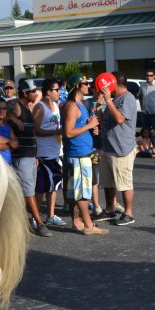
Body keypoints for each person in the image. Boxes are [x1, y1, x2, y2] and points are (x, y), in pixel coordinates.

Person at [61, 74, 107, 236]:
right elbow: (68, 132)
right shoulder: (72, 106)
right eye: (85, 83)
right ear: (77, 86)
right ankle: (88, 225)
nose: (89, 86)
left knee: (75, 191)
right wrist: (89, 126)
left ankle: (77, 222)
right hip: (78, 153)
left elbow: (90, 120)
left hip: (82, 151)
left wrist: (92, 123)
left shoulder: (81, 104)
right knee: (82, 192)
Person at [96, 75, 138, 225]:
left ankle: (128, 213)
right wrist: (98, 107)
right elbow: (101, 122)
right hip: (108, 147)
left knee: (124, 182)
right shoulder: (113, 100)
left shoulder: (128, 98)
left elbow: (120, 119)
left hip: (122, 149)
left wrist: (108, 100)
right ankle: (109, 210)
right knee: (108, 182)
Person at [10, 79, 49, 237]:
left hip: (31, 155)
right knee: (28, 191)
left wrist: (35, 155)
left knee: (29, 190)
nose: (36, 94)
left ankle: (29, 220)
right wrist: (13, 118)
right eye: (33, 92)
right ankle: (39, 223)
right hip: (22, 156)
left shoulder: (26, 107)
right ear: (25, 93)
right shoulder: (15, 105)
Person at [33, 78, 66, 227]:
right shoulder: (40, 107)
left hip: (56, 151)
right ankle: (36, 217)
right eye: (56, 90)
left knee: (54, 185)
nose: (59, 92)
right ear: (48, 92)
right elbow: (36, 130)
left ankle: (51, 215)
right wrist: (56, 132)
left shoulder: (56, 106)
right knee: (41, 186)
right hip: (43, 152)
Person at [141, 70, 155, 141]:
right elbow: (140, 95)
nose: (149, 77)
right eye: (147, 75)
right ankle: (147, 146)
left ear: (154, 76)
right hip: (145, 112)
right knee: (145, 132)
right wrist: (141, 105)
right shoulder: (142, 85)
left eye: (151, 75)